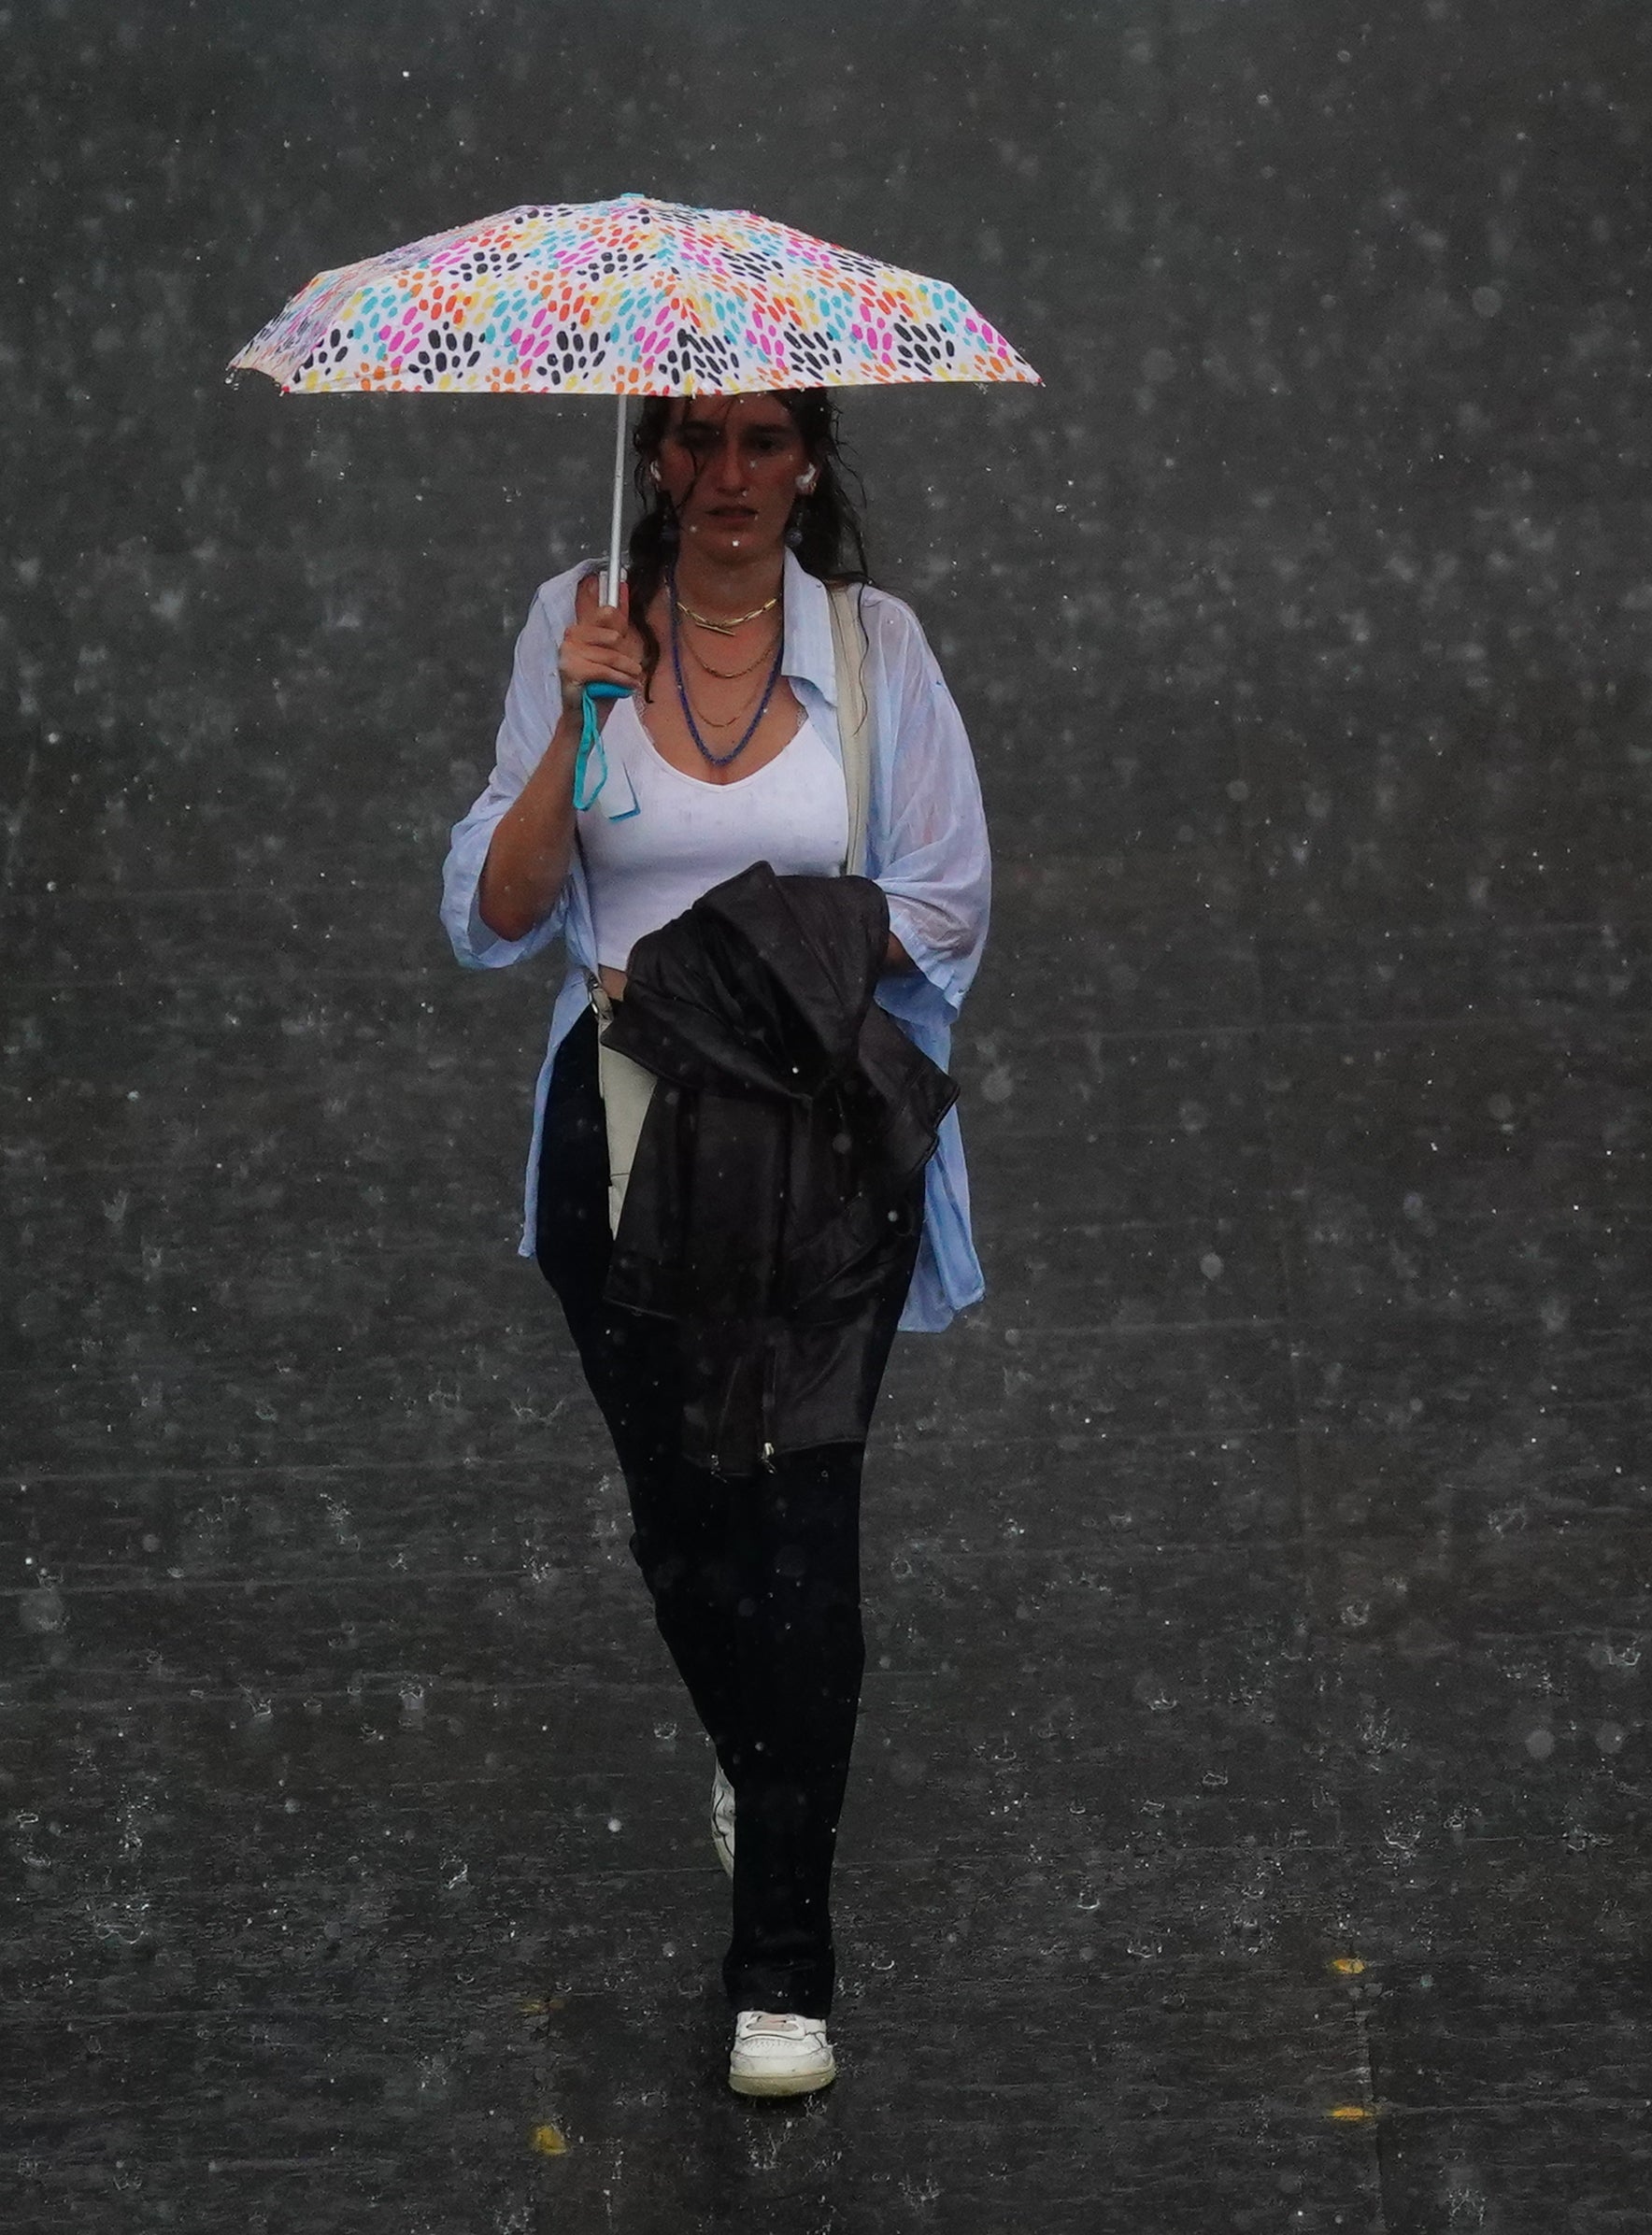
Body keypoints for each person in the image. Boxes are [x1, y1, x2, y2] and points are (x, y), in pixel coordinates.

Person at [437, 387, 993, 2097]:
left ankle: (784, 1965)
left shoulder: (876, 649)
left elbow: (948, 903)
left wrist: (728, 970)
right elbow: (492, 909)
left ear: (809, 459)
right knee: (688, 1536)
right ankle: (771, 1759)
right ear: (649, 460)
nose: (727, 479)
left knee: (804, 1535)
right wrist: (574, 726)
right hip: (618, 1153)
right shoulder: (573, 623)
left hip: (823, 1162)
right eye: (691, 443)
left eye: (762, 443)